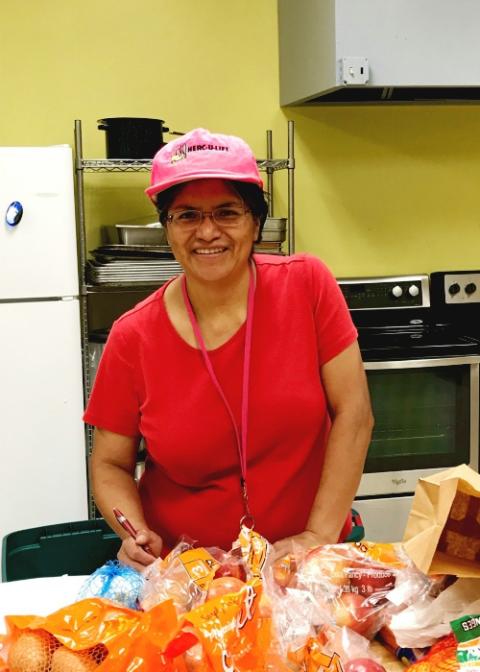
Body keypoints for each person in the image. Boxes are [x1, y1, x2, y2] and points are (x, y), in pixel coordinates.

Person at [84, 128, 374, 570]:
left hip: (303, 563)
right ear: (167, 228)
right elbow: (109, 464)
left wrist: (315, 535)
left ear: (256, 222)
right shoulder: (133, 337)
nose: (207, 231)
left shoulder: (307, 286)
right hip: (188, 576)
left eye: (227, 212)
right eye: (186, 215)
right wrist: (136, 534)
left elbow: (354, 413)